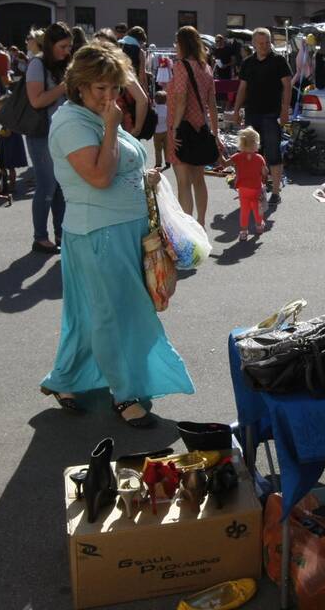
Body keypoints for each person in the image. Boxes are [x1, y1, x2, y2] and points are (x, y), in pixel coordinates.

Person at [41, 41, 195, 427]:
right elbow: (98, 175)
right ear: (78, 85)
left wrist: (143, 177)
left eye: (114, 88)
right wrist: (112, 127)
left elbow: (121, 165)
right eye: (100, 89)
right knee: (115, 315)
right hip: (98, 235)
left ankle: (65, 379)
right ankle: (124, 394)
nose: (110, 97)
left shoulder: (97, 115)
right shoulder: (71, 122)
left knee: (92, 313)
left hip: (120, 232)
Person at [25, 21, 72, 254]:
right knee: (47, 185)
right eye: (63, 46)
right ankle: (40, 237)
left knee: (61, 185)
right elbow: (36, 101)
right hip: (41, 133)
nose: (67, 51)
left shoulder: (60, 65)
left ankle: (61, 234)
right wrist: (63, 87)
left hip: (60, 132)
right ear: (52, 45)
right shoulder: (37, 64)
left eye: (69, 47)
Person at [167, 25, 220, 226]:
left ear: (182, 43)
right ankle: (201, 222)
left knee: (183, 183)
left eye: (176, 43)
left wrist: (175, 129)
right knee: (199, 179)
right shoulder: (205, 67)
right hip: (200, 128)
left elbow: (181, 99)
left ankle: (187, 228)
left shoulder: (181, 66)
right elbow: (213, 104)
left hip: (182, 129)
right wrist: (215, 133)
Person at [232, 28, 291, 205]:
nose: (264, 46)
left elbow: (287, 86)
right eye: (261, 43)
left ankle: (275, 192)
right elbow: (242, 88)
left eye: (267, 43)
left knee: (273, 152)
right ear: (254, 44)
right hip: (252, 113)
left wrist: (285, 109)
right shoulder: (248, 63)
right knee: (252, 153)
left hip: (272, 114)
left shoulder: (279, 61)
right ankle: (256, 188)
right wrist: (236, 110)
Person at [218, 127, 268, 240]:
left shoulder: (237, 156)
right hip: (256, 188)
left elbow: (225, 164)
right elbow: (265, 173)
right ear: (256, 144)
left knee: (244, 211)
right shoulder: (259, 158)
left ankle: (243, 232)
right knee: (257, 209)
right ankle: (259, 226)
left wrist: (219, 153)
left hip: (243, 189)